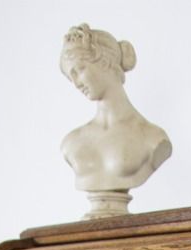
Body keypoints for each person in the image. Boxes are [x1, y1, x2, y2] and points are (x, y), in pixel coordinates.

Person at [60, 24, 171, 197]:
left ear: (105, 62)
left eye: (80, 69)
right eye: (70, 75)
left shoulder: (153, 138)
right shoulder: (71, 142)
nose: (76, 83)